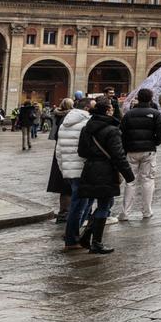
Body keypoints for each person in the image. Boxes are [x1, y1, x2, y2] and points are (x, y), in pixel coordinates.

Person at [76, 98, 135, 254]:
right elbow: (119, 156)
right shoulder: (112, 130)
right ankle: (96, 243)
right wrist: (129, 175)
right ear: (108, 111)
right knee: (105, 205)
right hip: (106, 170)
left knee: (101, 204)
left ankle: (85, 236)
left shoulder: (86, 128)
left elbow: (81, 152)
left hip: (89, 168)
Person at [118, 88, 161, 221]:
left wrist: (126, 146)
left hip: (131, 151)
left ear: (138, 98)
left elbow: (121, 132)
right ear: (151, 98)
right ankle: (147, 211)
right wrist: (155, 142)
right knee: (148, 180)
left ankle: (125, 213)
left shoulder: (129, 114)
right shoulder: (155, 114)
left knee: (130, 181)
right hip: (148, 151)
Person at [57, 99, 92, 248]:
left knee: (81, 202)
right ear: (86, 108)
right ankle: (71, 238)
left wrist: (63, 168)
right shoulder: (87, 122)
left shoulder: (64, 123)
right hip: (82, 168)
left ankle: (72, 232)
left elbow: (58, 150)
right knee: (79, 205)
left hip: (69, 168)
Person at [46, 98, 76, 223]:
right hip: (68, 153)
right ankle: (67, 213)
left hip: (59, 152)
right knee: (69, 186)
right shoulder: (70, 119)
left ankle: (63, 211)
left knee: (63, 186)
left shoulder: (58, 115)